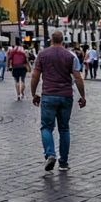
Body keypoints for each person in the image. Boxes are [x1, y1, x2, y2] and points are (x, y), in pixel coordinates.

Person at [28, 31, 86, 172]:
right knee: (64, 128)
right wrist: (83, 96)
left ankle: (50, 154)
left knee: (46, 127)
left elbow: (35, 75)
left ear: (51, 40)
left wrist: (33, 93)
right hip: (66, 96)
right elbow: (78, 77)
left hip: (48, 94)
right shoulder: (70, 56)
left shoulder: (42, 55)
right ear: (62, 41)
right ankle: (63, 162)